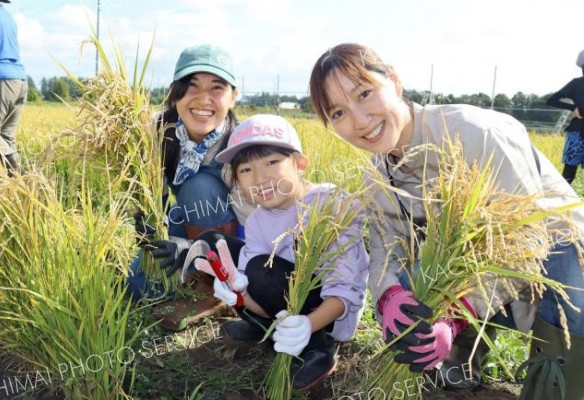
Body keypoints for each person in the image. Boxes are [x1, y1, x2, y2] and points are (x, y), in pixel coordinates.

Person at [308, 43, 584, 398]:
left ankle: (552, 388)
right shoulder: (376, 176)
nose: (360, 121)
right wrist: (390, 296)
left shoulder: (476, 133)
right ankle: (459, 363)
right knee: (411, 279)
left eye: (365, 93)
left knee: (573, 280)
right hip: (482, 272)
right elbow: (382, 250)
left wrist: (456, 313)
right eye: (339, 113)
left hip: (550, 256)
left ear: (394, 80)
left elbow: (526, 241)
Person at [187, 114, 369, 391]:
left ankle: (318, 348)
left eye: (272, 162)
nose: (260, 178)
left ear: (299, 163)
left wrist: (308, 324)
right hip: (282, 298)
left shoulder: (331, 206)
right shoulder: (259, 219)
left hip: (329, 313)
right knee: (215, 245)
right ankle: (268, 328)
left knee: (261, 269)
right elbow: (254, 288)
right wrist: (240, 297)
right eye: (246, 170)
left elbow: (345, 289)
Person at [127, 44, 254, 308]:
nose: (202, 98)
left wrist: (195, 250)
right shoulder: (158, 130)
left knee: (199, 188)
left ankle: (214, 282)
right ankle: (191, 273)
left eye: (216, 88)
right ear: (175, 93)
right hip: (183, 220)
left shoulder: (243, 145)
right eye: (192, 85)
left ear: (234, 96)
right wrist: (148, 225)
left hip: (229, 239)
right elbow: (149, 192)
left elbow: (252, 229)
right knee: (138, 290)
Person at [0, 0, 27, 173]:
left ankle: (20, 172)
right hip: (20, 80)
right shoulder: (6, 15)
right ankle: (18, 186)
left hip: (1, 80)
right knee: (6, 137)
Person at [546, 49, 584, 185]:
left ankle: (562, 203)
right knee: (568, 174)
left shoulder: (575, 83)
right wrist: (572, 108)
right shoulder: (576, 83)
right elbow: (551, 100)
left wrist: (572, 107)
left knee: (568, 174)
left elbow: (551, 100)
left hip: (576, 133)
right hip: (577, 132)